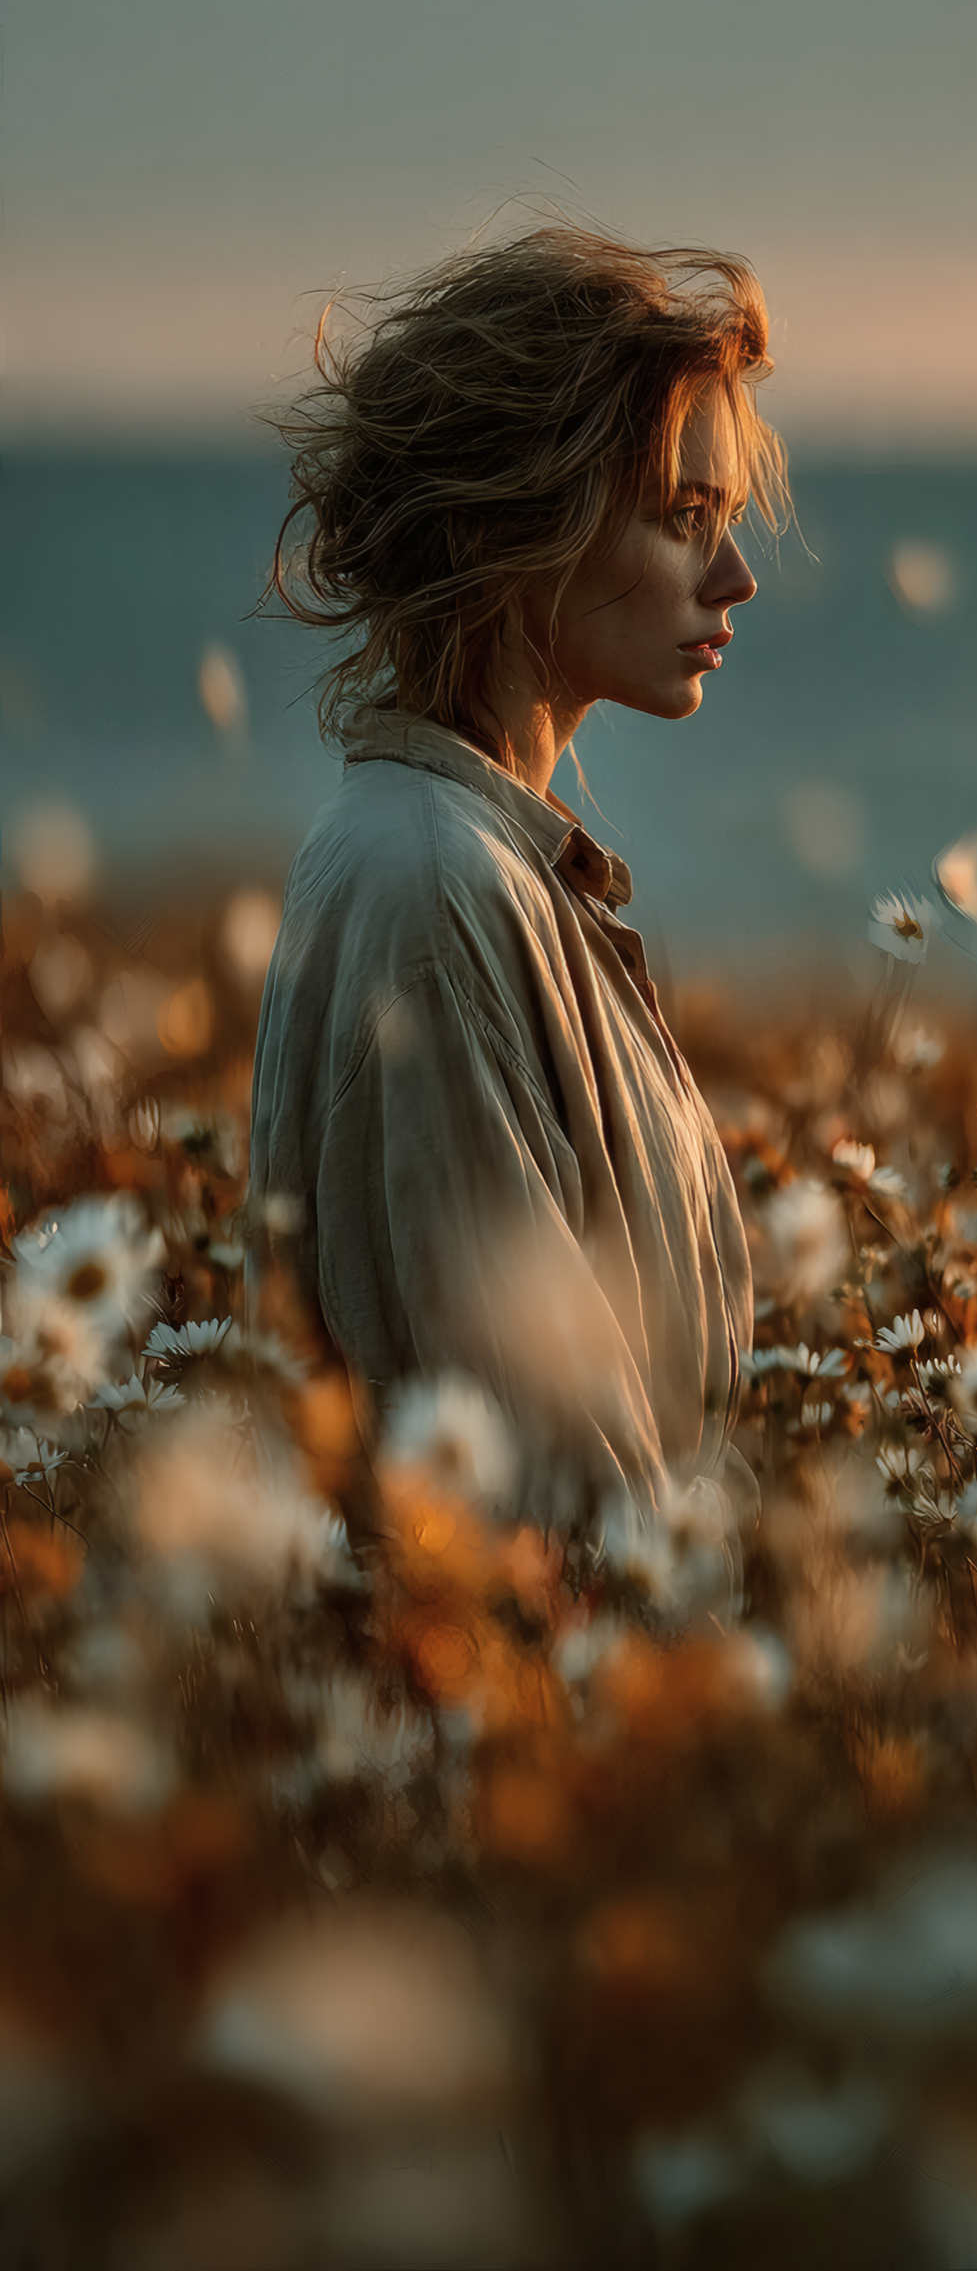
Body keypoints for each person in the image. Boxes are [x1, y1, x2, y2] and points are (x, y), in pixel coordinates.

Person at [247, 225, 789, 1559]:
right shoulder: (436, 887)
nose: (734, 577)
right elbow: (536, 1482)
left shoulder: (470, 863)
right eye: (684, 518)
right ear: (517, 521)